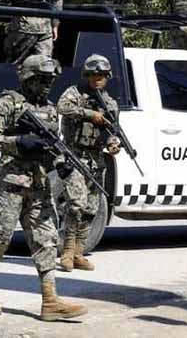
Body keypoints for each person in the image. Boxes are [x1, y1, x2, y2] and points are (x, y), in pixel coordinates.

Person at [0, 55, 87, 322]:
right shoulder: (8, 103)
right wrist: (18, 142)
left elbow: (51, 147)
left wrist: (61, 163)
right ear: (28, 78)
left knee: (46, 240)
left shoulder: (51, 110)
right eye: (41, 80)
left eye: (50, 81)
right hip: (11, 185)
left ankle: (50, 300)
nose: (46, 85)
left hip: (39, 186)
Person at [57, 54, 121, 271]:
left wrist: (113, 143)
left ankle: (78, 252)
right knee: (76, 204)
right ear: (87, 75)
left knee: (91, 208)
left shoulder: (110, 104)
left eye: (101, 75)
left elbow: (112, 131)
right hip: (74, 156)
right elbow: (62, 107)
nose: (97, 79)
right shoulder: (75, 93)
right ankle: (67, 252)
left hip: (95, 160)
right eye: (93, 75)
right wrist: (88, 113)